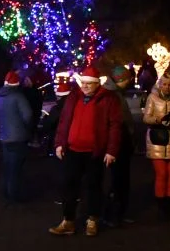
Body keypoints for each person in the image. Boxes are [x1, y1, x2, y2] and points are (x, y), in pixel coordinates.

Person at [48, 65, 123, 237]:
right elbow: (64, 121)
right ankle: (68, 221)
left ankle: (92, 219)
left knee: (93, 186)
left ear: (97, 84)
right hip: (73, 150)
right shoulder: (74, 96)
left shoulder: (108, 99)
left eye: (90, 83)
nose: (85, 86)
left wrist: (111, 150)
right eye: (84, 83)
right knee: (69, 186)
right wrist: (60, 143)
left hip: (94, 151)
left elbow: (115, 126)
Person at [142, 72, 170, 218]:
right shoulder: (152, 98)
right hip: (157, 140)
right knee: (161, 173)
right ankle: (161, 206)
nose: (167, 87)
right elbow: (146, 118)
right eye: (164, 84)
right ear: (159, 84)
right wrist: (158, 119)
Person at [103, 70, 137, 227]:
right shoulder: (112, 95)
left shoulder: (115, 93)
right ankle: (113, 215)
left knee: (120, 180)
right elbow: (118, 122)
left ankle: (118, 213)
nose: (128, 83)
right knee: (118, 180)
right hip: (118, 143)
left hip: (121, 142)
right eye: (127, 80)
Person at [0, 71, 34, 203]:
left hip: (4, 137)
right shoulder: (18, 97)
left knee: (7, 166)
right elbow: (28, 116)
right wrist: (27, 128)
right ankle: (14, 195)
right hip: (18, 138)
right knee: (16, 168)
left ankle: (4, 191)